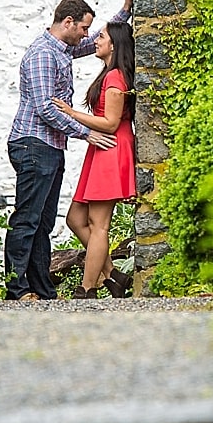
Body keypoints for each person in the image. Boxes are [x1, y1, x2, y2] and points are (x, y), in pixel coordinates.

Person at [3, 0, 131, 301]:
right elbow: (46, 108)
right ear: (68, 23)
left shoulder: (63, 48)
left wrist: (125, 11)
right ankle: (18, 289)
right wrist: (86, 132)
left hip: (49, 147)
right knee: (27, 219)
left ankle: (42, 289)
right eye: (84, 28)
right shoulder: (43, 54)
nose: (87, 35)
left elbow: (102, 44)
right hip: (34, 144)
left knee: (43, 222)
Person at [54, 17, 137, 298]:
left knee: (99, 225)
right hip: (101, 148)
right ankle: (113, 275)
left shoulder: (115, 78)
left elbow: (111, 122)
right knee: (76, 218)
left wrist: (72, 113)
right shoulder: (110, 73)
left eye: (101, 36)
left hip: (109, 146)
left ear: (114, 45)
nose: (96, 41)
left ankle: (88, 288)